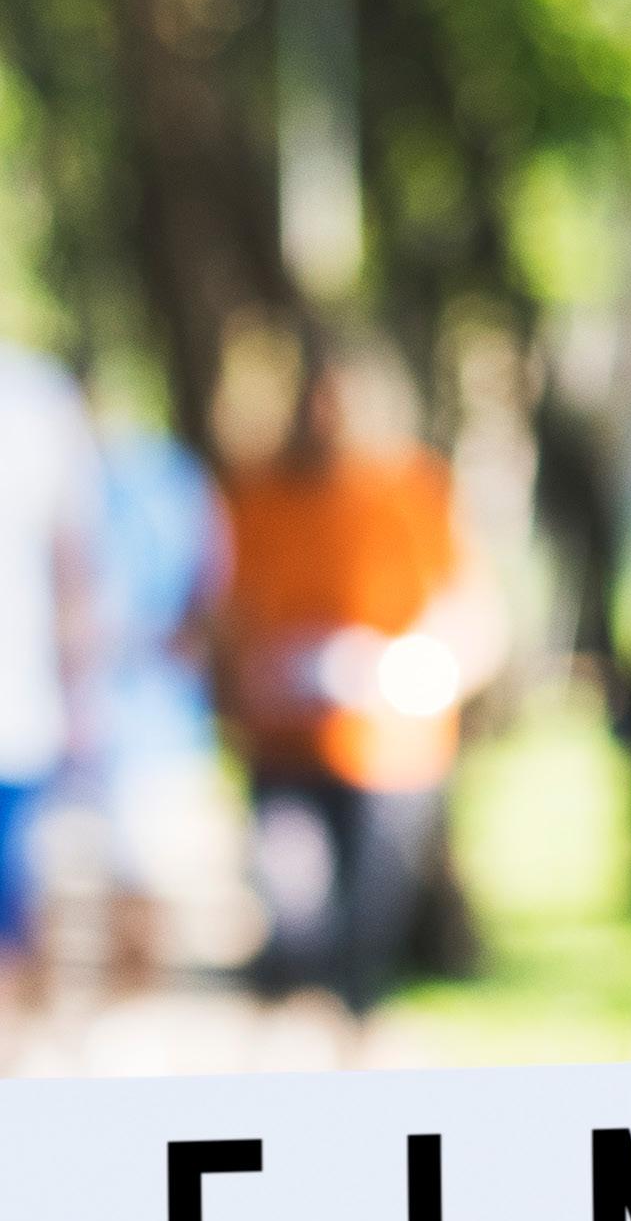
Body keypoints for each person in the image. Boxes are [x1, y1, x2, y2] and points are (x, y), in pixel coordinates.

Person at [219, 343, 503, 1021]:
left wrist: (416, 669)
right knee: (293, 916)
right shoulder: (260, 497)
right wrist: (252, 674)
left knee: (365, 938)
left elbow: (476, 617)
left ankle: (354, 1043)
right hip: (286, 744)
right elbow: (228, 616)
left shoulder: (415, 491)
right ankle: (300, 1035)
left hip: (392, 753)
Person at [95, 408, 231, 989]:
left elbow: (210, 598)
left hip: (157, 721)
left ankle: (133, 996)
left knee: (149, 873)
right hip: (103, 721)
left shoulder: (176, 482)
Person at [0, 343, 100, 1041]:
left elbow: (74, 561)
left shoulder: (37, 398)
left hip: (16, 709)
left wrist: (80, 693)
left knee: (13, 909)